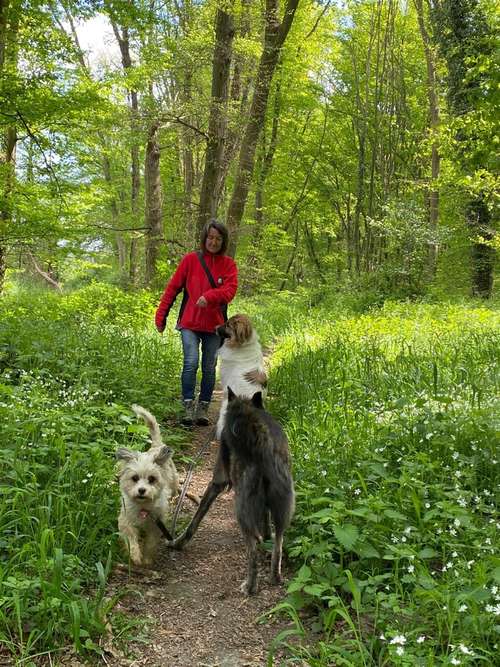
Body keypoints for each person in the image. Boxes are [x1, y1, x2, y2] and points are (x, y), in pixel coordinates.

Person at [155, 221, 238, 426]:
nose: (213, 242)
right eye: (210, 237)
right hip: (189, 323)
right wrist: (161, 316)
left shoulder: (229, 265)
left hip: (214, 326)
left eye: (218, 239)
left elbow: (230, 291)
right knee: (190, 362)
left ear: (223, 241)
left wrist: (210, 296)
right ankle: (187, 405)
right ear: (204, 238)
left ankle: (203, 406)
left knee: (209, 367)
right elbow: (172, 289)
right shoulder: (191, 260)